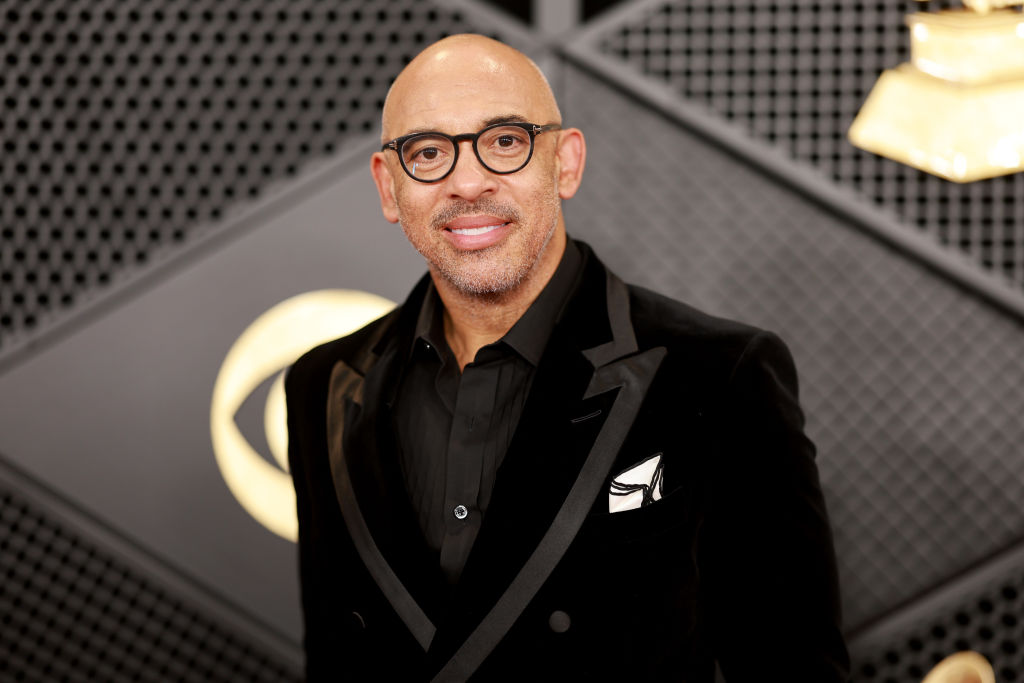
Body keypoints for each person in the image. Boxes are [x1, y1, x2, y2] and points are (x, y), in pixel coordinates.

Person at [285, 34, 850, 682]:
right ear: (390, 187)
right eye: (429, 151)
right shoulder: (321, 386)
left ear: (566, 162)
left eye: (504, 141)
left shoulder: (721, 376)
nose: (467, 182)